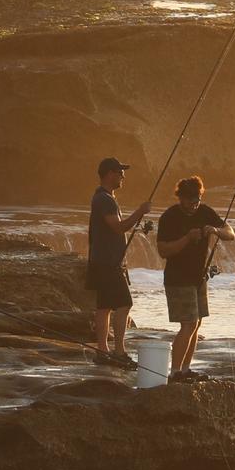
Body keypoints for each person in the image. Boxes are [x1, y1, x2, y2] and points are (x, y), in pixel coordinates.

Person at [156, 176, 235, 382]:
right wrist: (187, 239)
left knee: (197, 323)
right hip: (177, 278)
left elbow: (230, 233)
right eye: (190, 199)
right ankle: (174, 372)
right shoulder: (169, 217)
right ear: (180, 197)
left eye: (197, 198)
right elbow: (163, 250)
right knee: (188, 323)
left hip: (198, 277)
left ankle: (185, 369)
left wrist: (216, 230)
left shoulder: (205, 211)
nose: (194, 204)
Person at [88, 156, 151, 369]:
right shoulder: (105, 199)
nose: (123, 175)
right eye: (119, 171)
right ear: (109, 174)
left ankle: (103, 350)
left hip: (103, 260)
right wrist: (140, 212)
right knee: (125, 304)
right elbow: (118, 227)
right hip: (108, 262)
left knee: (104, 307)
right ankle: (118, 351)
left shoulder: (103, 198)